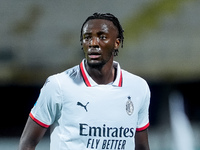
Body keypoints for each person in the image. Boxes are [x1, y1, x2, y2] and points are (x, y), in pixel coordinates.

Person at [18, 12, 151, 150]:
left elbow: (141, 146)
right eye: (87, 38)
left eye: (102, 37)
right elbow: (27, 143)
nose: (93, 43)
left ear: (116, 43)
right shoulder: (58, 85)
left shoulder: (138, 87)